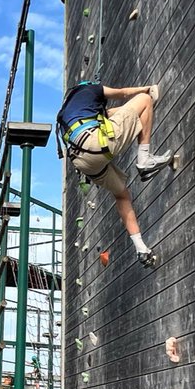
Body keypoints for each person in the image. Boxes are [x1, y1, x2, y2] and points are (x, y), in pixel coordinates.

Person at [56, 79, 174, 267]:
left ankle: (141, 248)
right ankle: (145, 159)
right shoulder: (91, 89)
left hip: (82, 161)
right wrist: (145, 89)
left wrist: (133, 114)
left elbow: (116, 113)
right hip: (95, 143)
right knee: (143, 100)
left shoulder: (71, 111)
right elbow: (123, 91)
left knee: (122, 195)